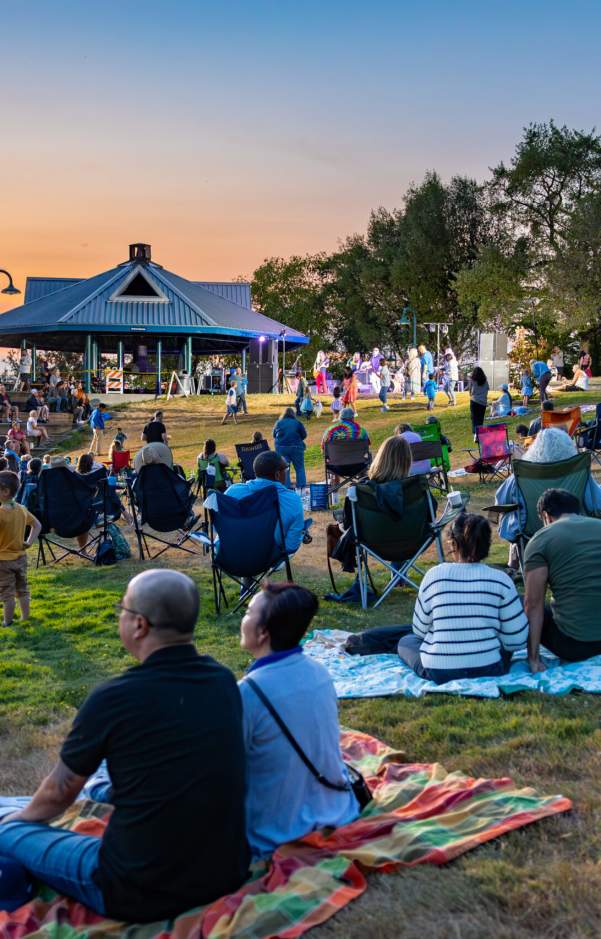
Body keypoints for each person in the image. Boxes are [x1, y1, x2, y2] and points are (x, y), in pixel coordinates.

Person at [0, 570, 249, 921]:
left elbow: (58, 794)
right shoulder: (223, 680)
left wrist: (16, 824)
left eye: (122, 609)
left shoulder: (114, 698)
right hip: (225, 871)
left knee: (5, 828)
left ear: (139, 625)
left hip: (135, 889)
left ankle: (12, 895)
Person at [238, 583, 359, 858]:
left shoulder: (248, 691)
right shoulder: (319, 672)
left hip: (277, 828)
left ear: (263, 632)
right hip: (337, 807)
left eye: (247, 612)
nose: (242, 619)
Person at [397, 513, 528, 684]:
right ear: (487, 544)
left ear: (453, 544)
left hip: (439, 671)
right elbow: (517, 640)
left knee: (406, 641)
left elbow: (419, 631)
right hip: (489, 668)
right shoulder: (501, 580)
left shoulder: (434, 575)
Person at [495, 428, 601, 567]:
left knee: (514, 516)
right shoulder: (578, 470)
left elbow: (500, 500)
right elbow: (597, 501)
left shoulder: (523, 473)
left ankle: (513, 564)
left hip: (532, 532)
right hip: (576, 528)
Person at [524, 489, 601, 672]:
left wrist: (533, 659)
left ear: (545, 515)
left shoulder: (541, 540)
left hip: (576, 644)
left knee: (520, 603)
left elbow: (533, 603)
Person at [225, 451, 305, 556]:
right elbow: (291, 546)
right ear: (277, 475)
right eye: (286, 470)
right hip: (267, 560)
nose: (286, 472)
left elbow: (219, 527)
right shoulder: (292, 500)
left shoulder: (232, 492)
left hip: (231, 556)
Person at [0, 470, 42, 627]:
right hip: (20, 557)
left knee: (7, 593)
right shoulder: (22, 509)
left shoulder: (1, 513)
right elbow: (37, 525)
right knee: (22, 589)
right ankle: (25, 618)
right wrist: (29, 542)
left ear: (5, 491)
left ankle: (7, 622)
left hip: (3, 561)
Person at [272, 407, 307, 489]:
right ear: (293, 414)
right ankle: (301, 487)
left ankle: (286, 487)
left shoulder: (278, 423)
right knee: (299, 467)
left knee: (284, 469)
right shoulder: (297, 423)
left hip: (281, 448)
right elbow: (304, 435)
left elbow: (274, 435)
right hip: (296, 447)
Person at [469, 367, 489, 436]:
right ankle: (480, 434)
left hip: (474, 401)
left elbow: (470, 391)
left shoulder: (472, 381)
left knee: (474, 418)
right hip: (483, 402)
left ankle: (475, 434)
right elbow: (487, 390)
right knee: (480, 419)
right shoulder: (485, 381)